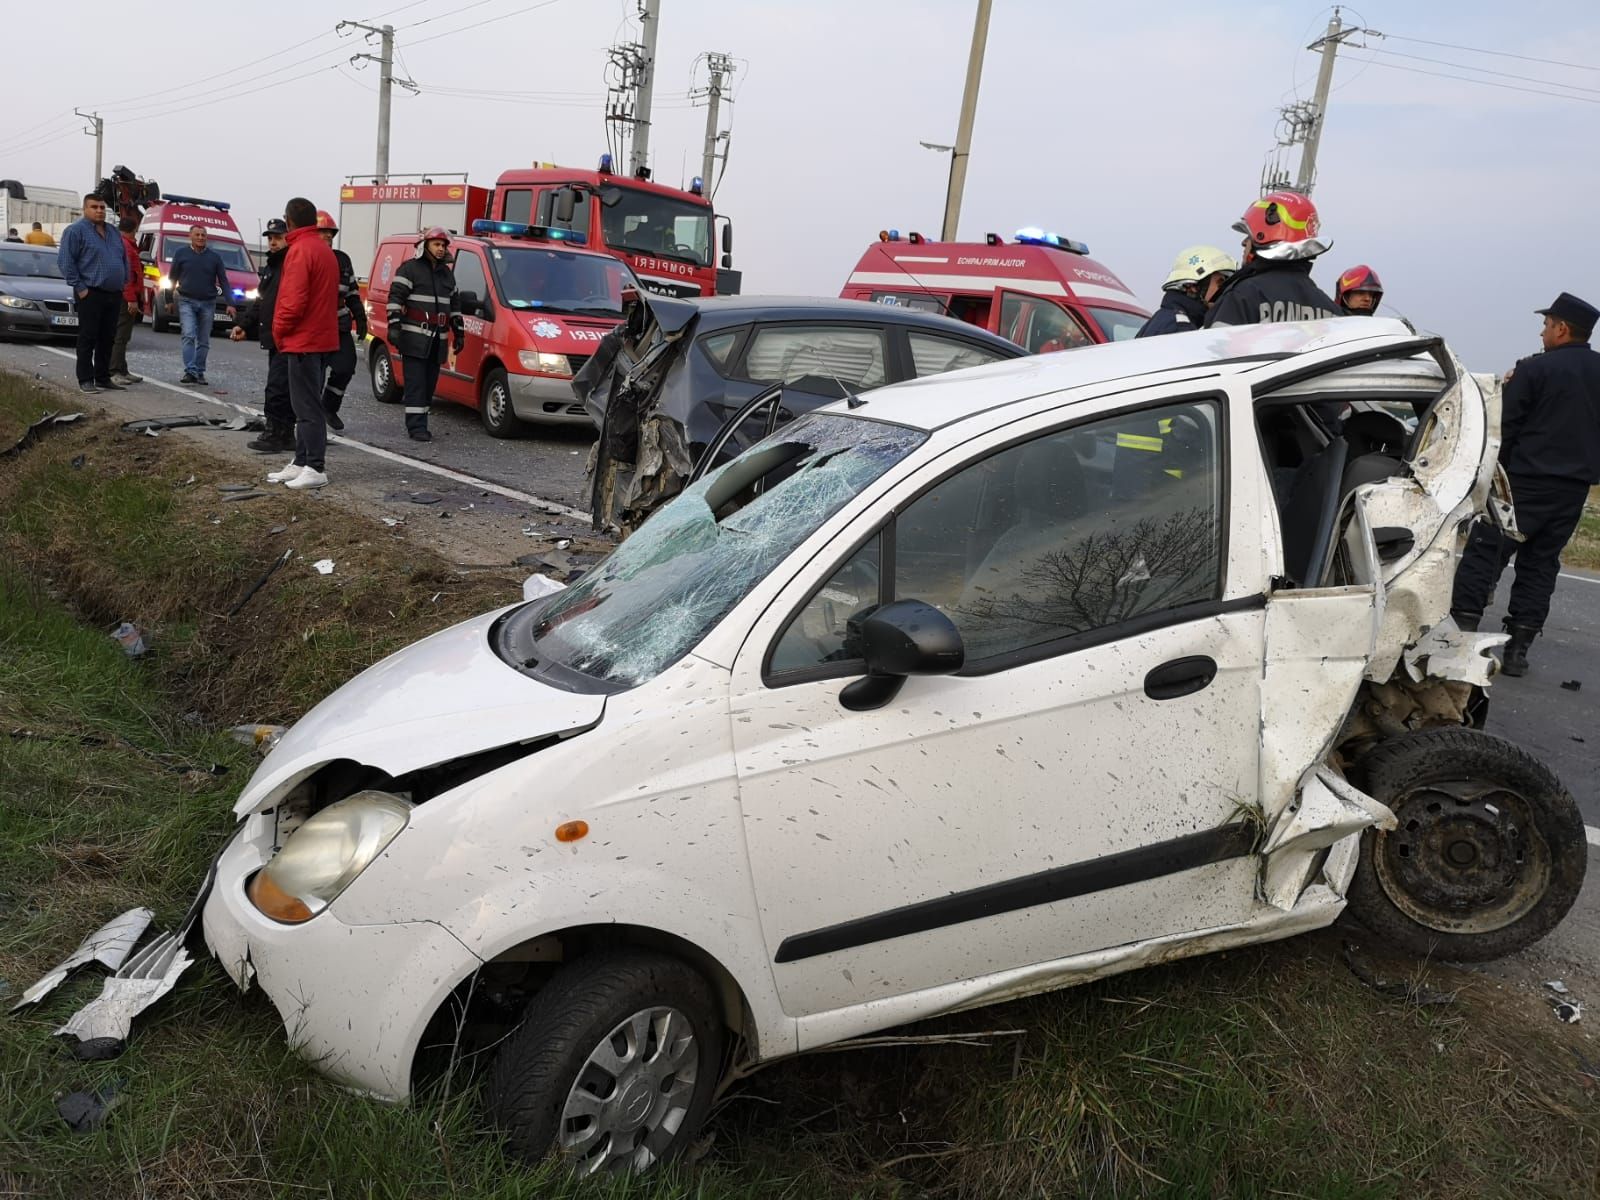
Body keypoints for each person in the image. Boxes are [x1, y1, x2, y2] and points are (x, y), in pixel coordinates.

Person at [1451, 292, 1600, 675]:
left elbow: (1506, 427)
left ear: (1562, 329)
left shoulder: (1534, 370)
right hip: (1573, 489)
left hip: (1523, 483)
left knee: (1487, 551)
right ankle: (1518, 649)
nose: (1542, 332)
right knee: (1541, 564)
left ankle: (1463, 630)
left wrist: (1491, 472)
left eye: (1547, 325)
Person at [265, 198, 340, 490]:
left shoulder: (299, 251)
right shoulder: (323, 250)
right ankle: (301, 461)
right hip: (320, 338)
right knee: (306, 403)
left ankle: (315, 467)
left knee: (306, 406)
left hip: (303, 340)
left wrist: (279, 332)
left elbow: (293, 301)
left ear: (289, 221)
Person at [1204, 190, 1339, 328]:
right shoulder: (1332, 311)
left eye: (1249, 236)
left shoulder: (1244, 296)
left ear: (1263, 237)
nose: (1244, 243)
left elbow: (1218, 346)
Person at [385, 225, 463, 442]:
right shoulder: (409, 269)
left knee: (429, 384)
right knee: (416, 383)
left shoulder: (446, 274)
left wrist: (459, 330)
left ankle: (421, 420)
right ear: (425, 245)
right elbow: (395, 299)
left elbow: (454, 303)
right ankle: (416, 427)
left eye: (443, 245)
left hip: (438, 340)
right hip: (414, 338)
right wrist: (394, 325)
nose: (440, 249)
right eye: (436, 244)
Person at [232, 219, 294, 452]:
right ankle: (284, 434)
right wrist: (244, 325)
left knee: (278, 388)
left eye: (278, 237)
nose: (273, 242)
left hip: (287, 337)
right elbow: (260, 301)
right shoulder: (271, 268)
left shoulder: (291, 265)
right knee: (280, 387)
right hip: (274, 337)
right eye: (270, 238)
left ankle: (275, 434)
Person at [56, 193, 129, 394]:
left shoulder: (113, 232)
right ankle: (86, 379)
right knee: (88, 337)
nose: (99, 211)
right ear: (85, 209)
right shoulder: (75, 231)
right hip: (90, 293)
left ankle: (103, 377)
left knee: (108, 337)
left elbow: (123, 258)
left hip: (113, 293)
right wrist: (81, 288)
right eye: (94, 207)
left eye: (102, 207)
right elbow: (65, 262)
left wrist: (124, 282)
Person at [312, 210, 368, 432]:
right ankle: (312, 423)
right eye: (322, 232)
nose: (327, 237)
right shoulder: (305, 257)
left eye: (330, 233)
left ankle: (329, 407)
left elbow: (352, 292)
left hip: (339, 325)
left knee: (345, 367)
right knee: (314, 377)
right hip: (314, 329)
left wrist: (360, 317)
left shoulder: (342, 260)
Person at [167, 225, 237, 385]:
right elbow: (172, 278)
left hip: (208, 302)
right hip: (186, 300)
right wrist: (169, 299)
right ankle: (190, 371)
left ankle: (199, 372)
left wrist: (230, 303)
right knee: (189, 334)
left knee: (204, 340)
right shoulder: (181, 254)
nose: (200, 237)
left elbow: (224, 281)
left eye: (203, 235)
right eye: (197, 234)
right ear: (190, 236)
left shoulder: (215, 257)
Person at [1136, 245, 1237, 337]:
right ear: (1193, 286)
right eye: (1220, 283)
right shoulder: (1179, 329)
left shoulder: (1168, 319)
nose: (1224, 289)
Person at [107, 214, 144, 386]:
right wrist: (131, 299)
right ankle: (114, 371)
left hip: (125, 295)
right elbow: (127, 276)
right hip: (125, 297)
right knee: (121, 335)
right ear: (134, 229)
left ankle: (122, 369)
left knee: (124, 334)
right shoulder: (126, 247)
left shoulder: (125, 244)